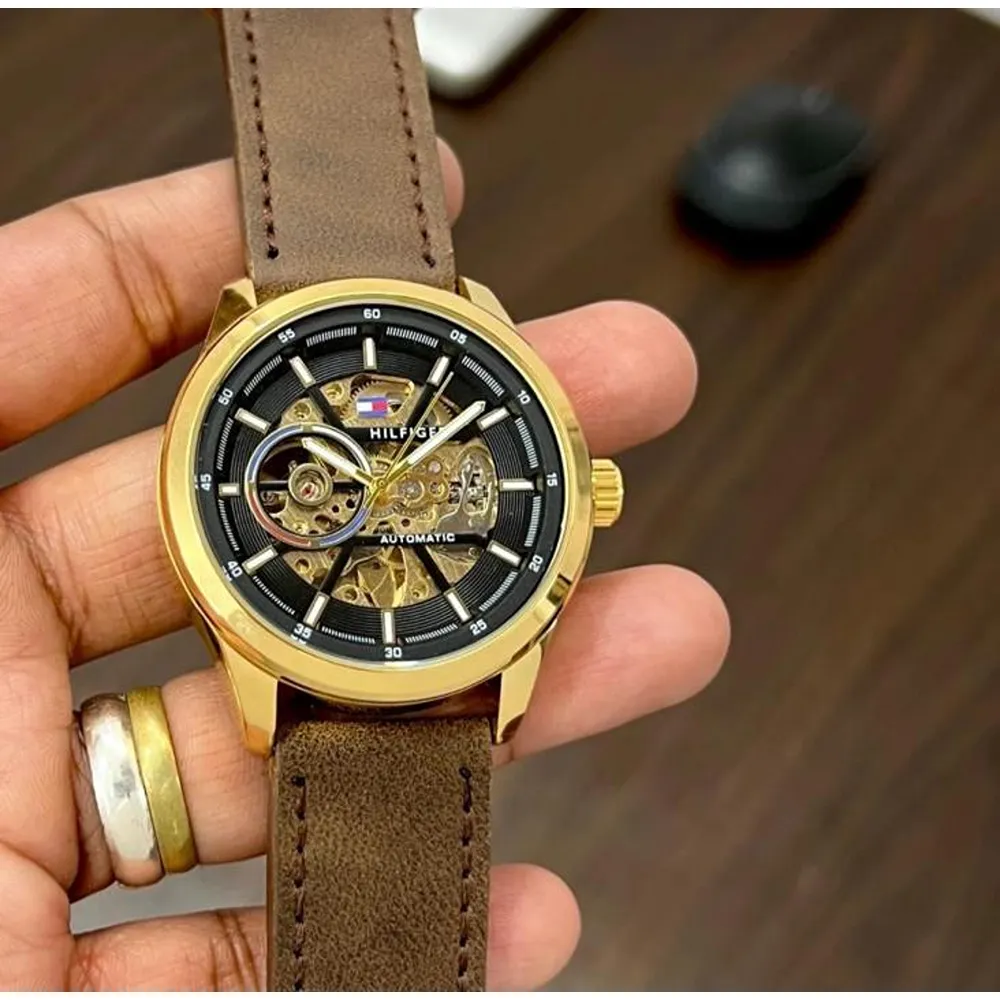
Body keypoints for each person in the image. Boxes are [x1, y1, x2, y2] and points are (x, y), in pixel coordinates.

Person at [0, 147, 729, 990]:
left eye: (390, 484)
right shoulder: (315, 347)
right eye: (350, 485)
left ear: (585, 493)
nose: (378, 492)